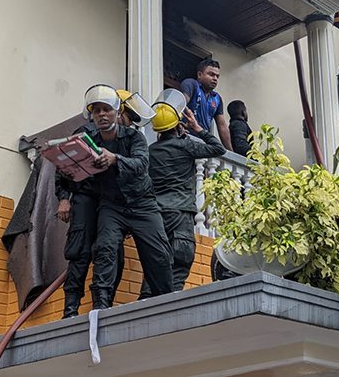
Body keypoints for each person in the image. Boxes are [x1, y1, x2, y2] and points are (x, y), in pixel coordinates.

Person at [83, 84, 173, 309]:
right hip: (111, 205)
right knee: (105, 247)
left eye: (107, 109)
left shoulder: (134, 137)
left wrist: (115, 159)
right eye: (97, 110)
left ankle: (165, 302)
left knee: (159, 254)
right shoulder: (89, 140)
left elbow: (141, 164)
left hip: (143, 205)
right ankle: (100, 305)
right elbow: (79, 173)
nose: (102, 114)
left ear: (117, 112)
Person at [139, 91, 226, 296]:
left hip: (156, 215)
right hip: (180, 215)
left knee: (155, 266)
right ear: (178, 125)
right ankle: (168, 307)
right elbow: (218, 149)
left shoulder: (150, 152)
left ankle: (144, 303)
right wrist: (198, 128)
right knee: (178, 267)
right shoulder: (186, 146)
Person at [180, 59, 233, 151]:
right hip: (185, 138)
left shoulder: (217, 98)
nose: (215, 79)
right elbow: (179, 105)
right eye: (211, 74)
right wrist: (176, 126)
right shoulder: (191, 85)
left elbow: (222, 126)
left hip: (202, 143)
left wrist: (231, 152)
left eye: (217, 76)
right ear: (199, 75)